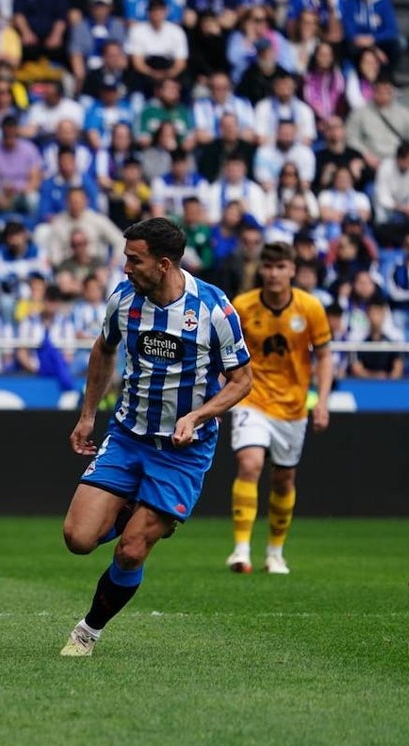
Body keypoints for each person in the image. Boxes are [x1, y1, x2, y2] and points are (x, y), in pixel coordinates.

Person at [60, 217, 253, 656]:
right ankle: (138, 507)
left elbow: (242, 381)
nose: (125, 269)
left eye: (134, 259)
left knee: (130, 551)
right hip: (128, 437)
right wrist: (88, 415)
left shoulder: (214, 309)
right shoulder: (124, 301)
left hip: (182, 453)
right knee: (78, 539)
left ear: (163, 264)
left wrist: (199, 415)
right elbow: (103, 350)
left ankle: (88, 632)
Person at [225, 241, 334, 576]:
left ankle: (275, 553)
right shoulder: (242, 306)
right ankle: (241, 550)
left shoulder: (310, 308)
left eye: (280, 267)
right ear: (261, 270)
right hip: (251, 397)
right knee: (250, 462)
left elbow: (325, 355)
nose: (273, 274)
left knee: (284, 479)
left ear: (292, 270)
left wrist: (323, 401)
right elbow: (225, 350)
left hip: (292, 405)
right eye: (268, 267)